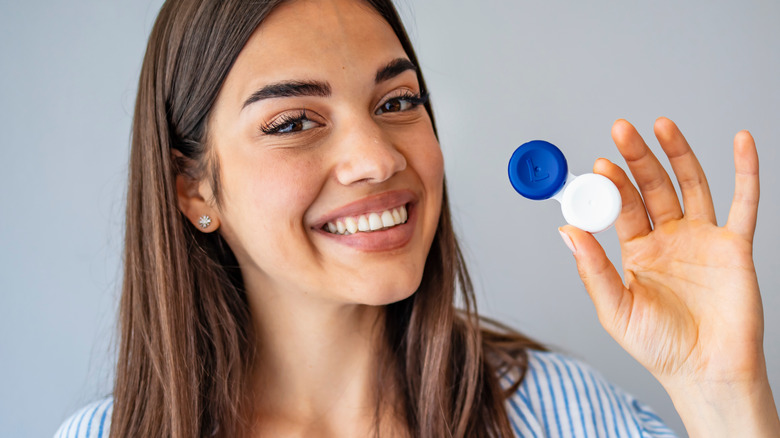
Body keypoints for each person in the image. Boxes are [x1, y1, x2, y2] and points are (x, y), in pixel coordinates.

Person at [54, 0, 780, 436]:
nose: (376, 157)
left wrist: (722, 395)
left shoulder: (562, 414)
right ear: (194, 191)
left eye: (398, 103)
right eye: (294, 121)